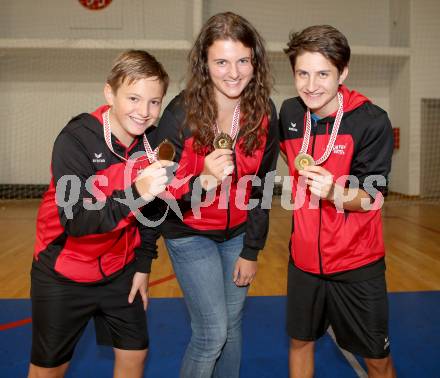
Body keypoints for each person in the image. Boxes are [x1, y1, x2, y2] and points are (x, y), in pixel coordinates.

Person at [29, 50, 172, 378]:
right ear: (110, 93)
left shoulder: (152, 143)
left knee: (135, 356)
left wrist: (143, 266)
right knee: (47, 370)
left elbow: (154, 209)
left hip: (119, 271)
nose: (144, 111)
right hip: (63, 274)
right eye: (134, 98)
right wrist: (137, 191)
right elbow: (76, 220)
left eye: (154, 102)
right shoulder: (75, 140)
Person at [152, 12, 279, 378]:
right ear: (205, 65)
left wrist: (252, 250)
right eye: (221, 62)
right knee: (211, 333)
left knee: (233, 326)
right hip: (189, 232)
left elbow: (261, 186)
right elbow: (159, 195)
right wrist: (202, 180)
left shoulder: (263, 113)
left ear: (255, 63)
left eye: (243, 61)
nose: (234, 72)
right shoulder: (180, 115)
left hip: (237, 236)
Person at [279, 25, 396, 378]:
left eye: (323, 73)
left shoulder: (371, 121)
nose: (311, 85)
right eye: (302, 73)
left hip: (357, 265)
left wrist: (335, 193)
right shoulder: (289, 114)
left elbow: (372, 197)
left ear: (342, 73)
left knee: (376, 359)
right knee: (300, 343)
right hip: (303, 264)